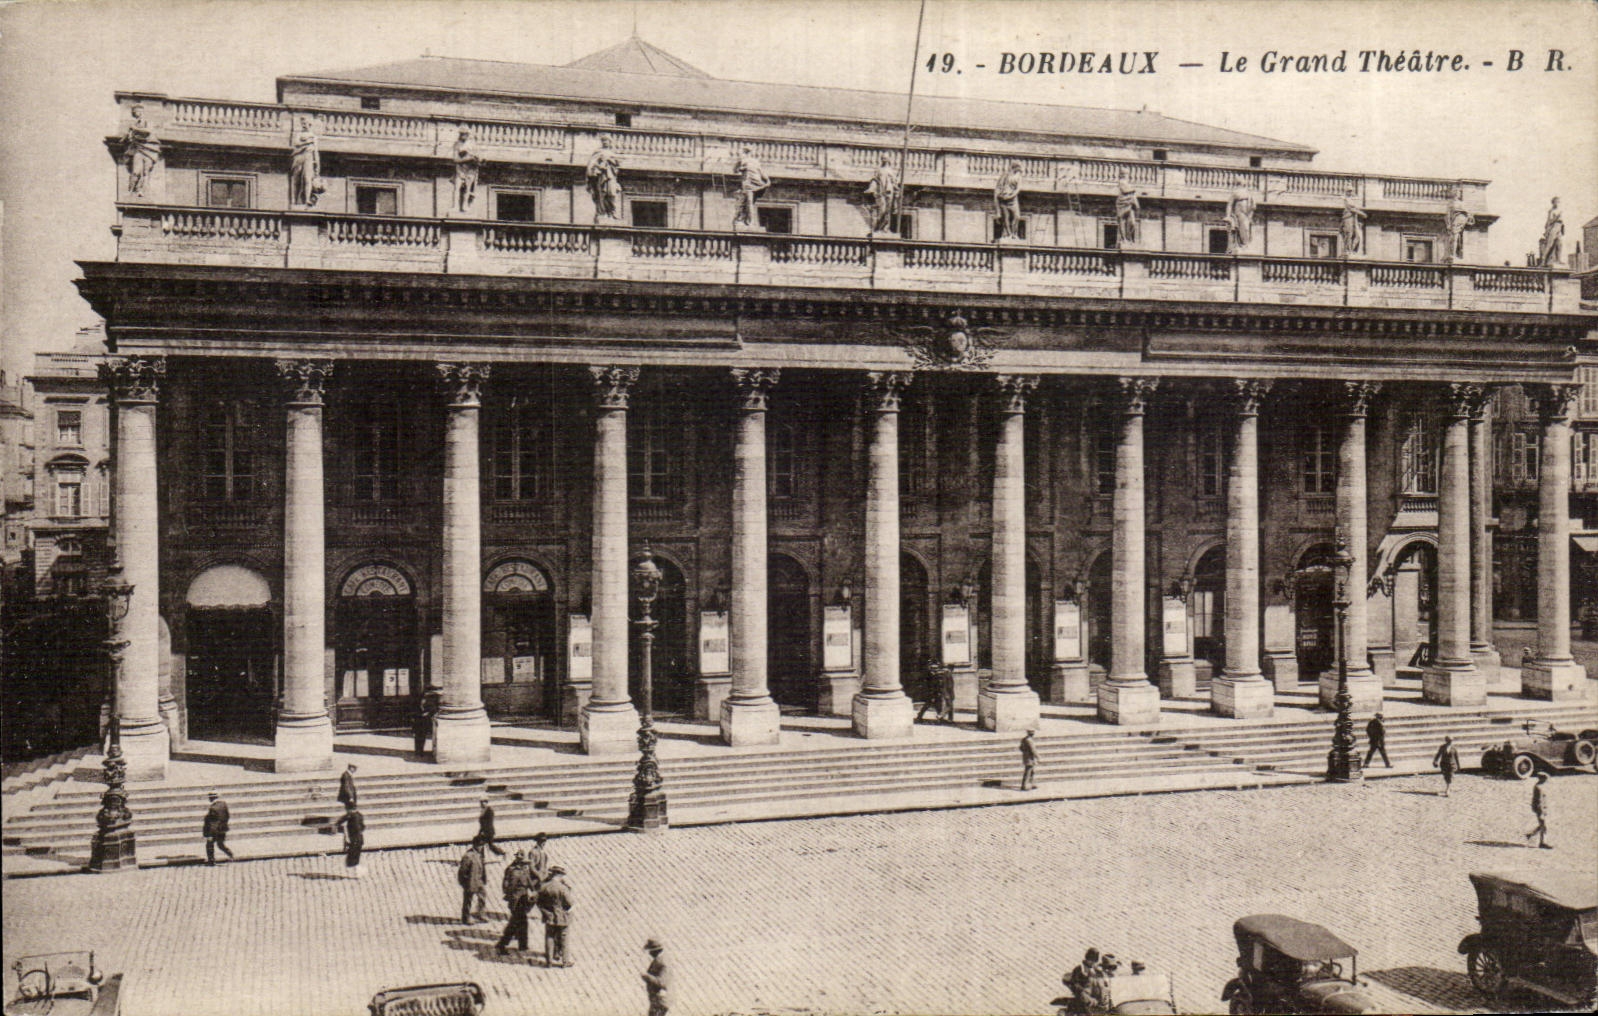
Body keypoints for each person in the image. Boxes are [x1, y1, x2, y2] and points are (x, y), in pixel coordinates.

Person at [496, 850, 536, 953]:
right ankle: (502, 944)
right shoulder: (513, 871)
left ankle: (522, 945)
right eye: (525, 863)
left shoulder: (524, 870)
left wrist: (533, 891)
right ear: (519, 863)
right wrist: (512, 898)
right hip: (516, 900)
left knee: (521, 922)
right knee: (516, 923)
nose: (527, 865)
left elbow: (529, 882)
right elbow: (509, 886)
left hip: (523, 898)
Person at [537, 864, 574, 966]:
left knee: (549, 938)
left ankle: (549, 961)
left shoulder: (544, 887)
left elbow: (539, 902)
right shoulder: (563, 888)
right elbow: (570, 903)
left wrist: (545, 912)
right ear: (559, 875)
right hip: (562, 917)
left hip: (549, 917)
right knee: (564, 939)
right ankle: (565, 961)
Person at [122, 104, 161, 197]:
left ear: (142, 112)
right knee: (136, 170)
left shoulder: (147, 121)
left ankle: (142, 190)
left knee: (146, 171)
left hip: (149, 149)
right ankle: (132, 190)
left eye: (138, 111)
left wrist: (135, 129)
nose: (137, 114)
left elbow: (148, 131)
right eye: (135, 112)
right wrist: (127, 136)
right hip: (138, 149)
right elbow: (128, 137)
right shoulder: (134, 124)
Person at [586, 135, 623, 221]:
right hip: (602, 176)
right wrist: (598, 167)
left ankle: (612, 212)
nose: (605, 142)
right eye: (603, 141)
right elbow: (591, 164)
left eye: (607, 141)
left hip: (611, 176)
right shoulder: (598, 152)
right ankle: (602, 212)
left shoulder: (613, 153)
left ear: (610, 142)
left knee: (612, 194)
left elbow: (617, 165)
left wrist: (611, 161)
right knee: (602, 194)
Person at [289, 115, 324, 207]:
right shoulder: (299, 134)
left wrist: (317, 165)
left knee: (307, 178)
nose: (304, 125)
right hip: (298, 157)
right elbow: (296, 143)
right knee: (296, 178)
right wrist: (307, 142)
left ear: (310, 124)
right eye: (303, 124)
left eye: (306, 123)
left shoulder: (314, 137)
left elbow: (315, 151)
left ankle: (307, 199)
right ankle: (294, 199)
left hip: (309, 157)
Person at [731, 147, 769, 229]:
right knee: (749, 202)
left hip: (752, 182)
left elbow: (761, 172)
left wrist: (767, 180)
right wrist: (767, 180)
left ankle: (749, 221)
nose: (740, 155)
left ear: (746, 153)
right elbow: (735, 170)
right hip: (750, 183)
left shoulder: (749, 161)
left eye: (741, 154)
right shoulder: (749, 161)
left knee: (749, 202)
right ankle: (748, 221)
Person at [865, 155, 900, 234]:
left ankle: (885, 228)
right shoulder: (879, 170)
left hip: (889, 192)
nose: (884, 159)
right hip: (881, 192)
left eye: (885, 158)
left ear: (888, 159)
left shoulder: (891, 171)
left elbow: (894, 183)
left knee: (888, 211)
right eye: (882, 158)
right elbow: (874, 180)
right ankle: (879, 228)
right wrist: (871, 188)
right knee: (882, 210)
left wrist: (896, 190)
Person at [333, 800, 365, 877]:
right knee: (356, 855)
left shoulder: (350, 816)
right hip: (360, 839)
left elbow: (343, 819)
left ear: (348, 809)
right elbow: (363, 827)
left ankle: (356, 872)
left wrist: (336, 825)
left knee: (352, 856)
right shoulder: (359, 815)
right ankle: (356, 871)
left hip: (354, 839)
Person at [458, 839, 487, 924]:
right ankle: (465, 918)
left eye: (482, 846)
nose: (481, 847)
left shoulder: (480, 854)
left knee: (482, 898)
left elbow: (482, 867)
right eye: (479, 845)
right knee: (468, 900)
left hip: (479, 881)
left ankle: (481, 914)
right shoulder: (468, 856)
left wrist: (483, 878)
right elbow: (462, 871)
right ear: (475, 845)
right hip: (470, 882)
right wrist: (464, 883)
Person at [453, 127, 480, 212]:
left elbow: (477, 157)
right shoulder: (457, 144)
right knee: (457, 188)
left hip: (470, 170)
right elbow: (455, 159)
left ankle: (465, 205)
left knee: (468, 189)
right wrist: (468, 159)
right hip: (460, 170)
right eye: (461, 134)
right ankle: (455, 206)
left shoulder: (473, 145)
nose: (463, 135)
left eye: (465, 134)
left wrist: (476, 159)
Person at [202, 790, 233, 866]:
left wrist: (209, 833)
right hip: (222, 828)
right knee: (220, 844)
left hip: (214, 830)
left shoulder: (213, 808)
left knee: (209, 844)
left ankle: (211, 860)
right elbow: (227, 816)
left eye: (210, 798)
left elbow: (212, 822)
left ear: (212, 798)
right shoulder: (223, 805)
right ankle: (230, 854)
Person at [1444, 185, 1475, 261]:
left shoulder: (1462, 203)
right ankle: (1453, 254)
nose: (1459, 194)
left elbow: (1469, 213)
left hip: (1462, 221)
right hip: (1455, 221)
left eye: (1459, 192)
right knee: (1454, 237)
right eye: (1457, 192)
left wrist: (1468, 216)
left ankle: (1456, 254)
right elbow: (1447, 215)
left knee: (1458, 238)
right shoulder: (1451, 204)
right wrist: (1448, 224)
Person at [994, 161, 1023, 240]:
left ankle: (1014, 233)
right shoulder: (1004, 176)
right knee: (1006, 218)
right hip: (1004, 198)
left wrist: (1011, 196)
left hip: (1012, 199)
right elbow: (997, 189)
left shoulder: (1018, 177)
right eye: (1016, 168)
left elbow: (1018, 189)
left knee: (1017, 216)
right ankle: (1008, 234)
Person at [642, 937, 671, 1016]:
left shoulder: (662, 962)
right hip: (657, 1000)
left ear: (655, 951)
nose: (649, 953)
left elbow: (662, 982)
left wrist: (647, 977)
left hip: (660, 1001)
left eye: (650, 951)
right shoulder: (659, 960)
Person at [1525, 771, 1551, 849]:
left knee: (1542, 825)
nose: (1546, 780)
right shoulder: (1539, 788)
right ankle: (1542, 843)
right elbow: (1539, 801)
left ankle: (1531, 834)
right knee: (1544, 826)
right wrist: (1542, 811)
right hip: (1540, 809)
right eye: (1545, 779)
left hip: (1541, 809)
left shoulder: (1539, 786)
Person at [1114, 172, 1140, 246]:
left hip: (1130, 203)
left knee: (1132, 223)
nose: (1127, 175)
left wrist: (1136, 203)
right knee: (1122, 221)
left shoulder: (1129, 184)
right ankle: (1124, 239)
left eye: (1127, 174)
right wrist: (1133, 190)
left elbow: (1133, 195)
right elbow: (1124, 190)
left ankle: (1129, 238)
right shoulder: (1121, 182)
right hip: (1122, 203)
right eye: (1125, 174)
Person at [1537, 196, 1563, 267]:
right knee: (1549, 244)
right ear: (1553, 203)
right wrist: (1556, 217)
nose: (1557, 203)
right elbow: (1549, 221)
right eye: (1556, 202)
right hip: (1554, 226)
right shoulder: (1551, 211)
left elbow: (1561, 221)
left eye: (1558, 202)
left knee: (1559, 244)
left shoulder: (1560, 210)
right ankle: (1543, 260)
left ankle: (1558, 260)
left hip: (1559, 227)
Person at [1339, 187, 1367, 255]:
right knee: (1349, 234)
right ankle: (1348, 250)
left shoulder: (1351, 200)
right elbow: (1352, 209)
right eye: (1349, 191)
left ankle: (1353, 250)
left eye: (1351, 191)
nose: (1350, 192)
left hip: (1354, 219)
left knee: (1357, 236)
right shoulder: (1345, 200)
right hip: (1347, 218)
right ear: (1346, 192)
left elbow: (1355, 209)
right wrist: (1362, 214)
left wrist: (1360, 213)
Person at [412, 691, 438, 758]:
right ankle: (417, 751)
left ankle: (421, 751)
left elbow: (434, 710)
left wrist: (427, 714)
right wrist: (420, 715)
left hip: (424, 724)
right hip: (417, 723)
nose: (422, 701)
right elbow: (414, 714)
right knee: (417, 738)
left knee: (423, 738)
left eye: (424, 699)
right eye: (422, 699)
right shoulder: (417, 705)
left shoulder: (429, 705)